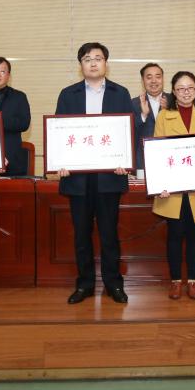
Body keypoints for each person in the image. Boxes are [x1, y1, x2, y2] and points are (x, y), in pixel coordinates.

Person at [55, 42, 138, 304]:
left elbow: (128, 132)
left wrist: (125, 160)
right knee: (81, 235)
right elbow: (60, 133)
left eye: (98, 58)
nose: (93, 63)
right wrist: (60, 162)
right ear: (81, 65)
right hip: (77, 178)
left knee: (109, 233)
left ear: (106, 63)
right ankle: (85, 284)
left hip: (109, 176)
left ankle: (113, 284)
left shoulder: (120, 93)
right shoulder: (68, 95)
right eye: (87, 59)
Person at [152, 71, 195, 300]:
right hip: (172, 190)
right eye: (180, 89)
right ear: (174, 91)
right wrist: (160, 183)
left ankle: (192, 281)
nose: (186, 92)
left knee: (194, 235)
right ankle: (175, 281)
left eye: (190, 88)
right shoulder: (164, 116)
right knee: (174, 234)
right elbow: (157, 153)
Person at [0, 57, 31, 177]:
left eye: (2, 71)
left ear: (8, 75)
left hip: (12, 158)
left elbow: (24, 123)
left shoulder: (19, 96)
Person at [132, 63, 170, 173]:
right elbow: (129, 133)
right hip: (143, 162)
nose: (154, 81)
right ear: (143, 81)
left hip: (170, 159)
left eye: (158, 77)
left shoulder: (174, 101)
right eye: (149, 77)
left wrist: (169, 112)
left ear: (163, 79)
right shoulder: (134, 103)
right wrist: (143, 116)